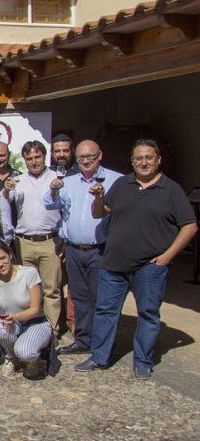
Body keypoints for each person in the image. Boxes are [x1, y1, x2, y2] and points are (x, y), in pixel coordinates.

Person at [76, 139, 197, 379]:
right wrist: (99, 198)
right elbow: (100, 213)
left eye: (148, 157)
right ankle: (99, 356)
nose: (144, 162)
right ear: (132, 162)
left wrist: (168, 256)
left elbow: (190, 226)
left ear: (158, 160)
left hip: (149, 266)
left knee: (148, 314)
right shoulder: (123, 184)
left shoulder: (171, 189)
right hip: (114, 263)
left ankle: (142, 361)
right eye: (138, 158)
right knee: (105, 311)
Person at [44, 140, 121, 355]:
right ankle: (83, 340)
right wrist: (53, 190)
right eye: (81, 158)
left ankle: (103, 343)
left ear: (100, 155)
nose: (86, 161)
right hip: (74, 249)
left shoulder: (116, 180)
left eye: (90, 156)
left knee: (102, 299)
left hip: (100, 249)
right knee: (79, 297)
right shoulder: (68, 182)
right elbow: (50, 204)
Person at [4, 141, 63, 336]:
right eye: (29, 158)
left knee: (51, 290)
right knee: (26, 289)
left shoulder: (57, 178)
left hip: (50, 241)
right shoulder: (17, 180)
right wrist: (6, 189)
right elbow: (5, 202)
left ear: (45, 157)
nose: (33, 161)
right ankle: (28, 329)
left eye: (37, 157)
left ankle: (52, 331)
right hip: (24, 242)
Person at [0, 239, 55, 379]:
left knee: (25, 351)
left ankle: (31, 359)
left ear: (10, 255)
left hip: (34, 322)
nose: (0, 264)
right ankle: (11, 357)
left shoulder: (29, 273)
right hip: (10, 322)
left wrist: (15, 317)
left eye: (3, 258)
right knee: (0, 328)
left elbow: (35, 309)